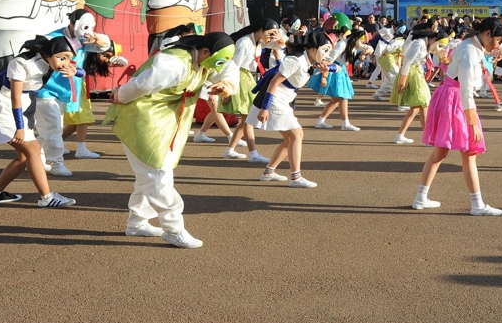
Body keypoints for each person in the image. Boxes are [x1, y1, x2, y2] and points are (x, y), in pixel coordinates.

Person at [104, 32, 238, 248]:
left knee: (148, 174)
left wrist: (227, 84)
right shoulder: (174, 62)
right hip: (142, 118)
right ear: (205, 52)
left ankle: (137, 222)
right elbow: (142, 84)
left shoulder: (205, 59)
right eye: (215, 62)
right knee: (157, 174)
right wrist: (120, 94)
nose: (215, 69)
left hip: (165, 119)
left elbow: (228, 68)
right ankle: (173, 229)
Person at [411, 17, 502, 216]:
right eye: (497, 40)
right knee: (469, 152)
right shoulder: (470, 51)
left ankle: (421, 197)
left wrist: (493, 54)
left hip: (449, 96)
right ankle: (477, 204)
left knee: (441, 152)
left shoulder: (469, 45)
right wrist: (472, 123)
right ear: (488, 34)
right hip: (457, 101)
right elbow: (466, 90)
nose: (497, 45)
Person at [0, 36, 79, 207]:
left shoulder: (51, 61)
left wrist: (75, 72)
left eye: (69, 58)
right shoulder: (21, 63)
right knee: (33, 150)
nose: (65, 62)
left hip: (23, 110)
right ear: (51, 52)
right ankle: (46, 197)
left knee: (24, 157)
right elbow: (15, 97)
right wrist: (20, 127)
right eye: (63, 57)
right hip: (3, 108)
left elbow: (79, 70)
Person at [246, 31, 333, 187]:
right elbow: (273, 82)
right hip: (275, 98)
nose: (326, 54)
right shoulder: (296, 60)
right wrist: (265, 108)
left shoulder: (310, 61)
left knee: (289, 139)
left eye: (328, 51)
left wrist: (326, 72)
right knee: (296, 134)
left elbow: (337, 68)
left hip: (284, 99)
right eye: (324, 50)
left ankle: (268, 172)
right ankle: (295, 177)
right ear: (313, 48)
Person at [36, 9, 113, 177]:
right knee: (54, 128)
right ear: (72, 23)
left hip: (65, 92)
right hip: (46, 91)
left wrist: (98, 38)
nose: (87, 31)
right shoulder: (53, 38)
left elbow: (106, 45)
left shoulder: (84, 40)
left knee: (45, 130)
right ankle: (56, 163)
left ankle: (35, 161)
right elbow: (42, 59)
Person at [209, 20, 281, 163]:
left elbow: (279, 46)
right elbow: (233, 66)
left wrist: (278, 38)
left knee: (247, 119)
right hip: (240, 77)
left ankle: (230, 150)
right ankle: (253, 154)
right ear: (261, 30)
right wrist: (229, 87)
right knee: (249, 118)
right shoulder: (244, 42)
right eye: (270, 33)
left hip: (247, 77)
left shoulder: (259, 40)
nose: (272, 36)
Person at [393, 25, 448, 144]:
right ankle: (427, 138)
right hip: (412, 73)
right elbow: (407, 61)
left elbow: (435, 51)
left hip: (415, 73)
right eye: (438, 44)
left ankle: (400, 135)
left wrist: (442, 54)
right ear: (433, 39)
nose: (438, 48)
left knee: (416, 108)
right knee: (423, 104)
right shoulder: (419, 43)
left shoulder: (426, 43)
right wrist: (402, 80)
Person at [313, 29, 365, 131]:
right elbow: (328, 61)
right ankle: (345, 123)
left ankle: (320, 121)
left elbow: (365, 47)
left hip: (340, 70)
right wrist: (324, 77)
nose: (363, 43)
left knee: (335, 100)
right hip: (334, 70)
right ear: (356, 39)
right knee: (343, 96)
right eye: (362, 41)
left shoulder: (351, 44)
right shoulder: (343, 44)